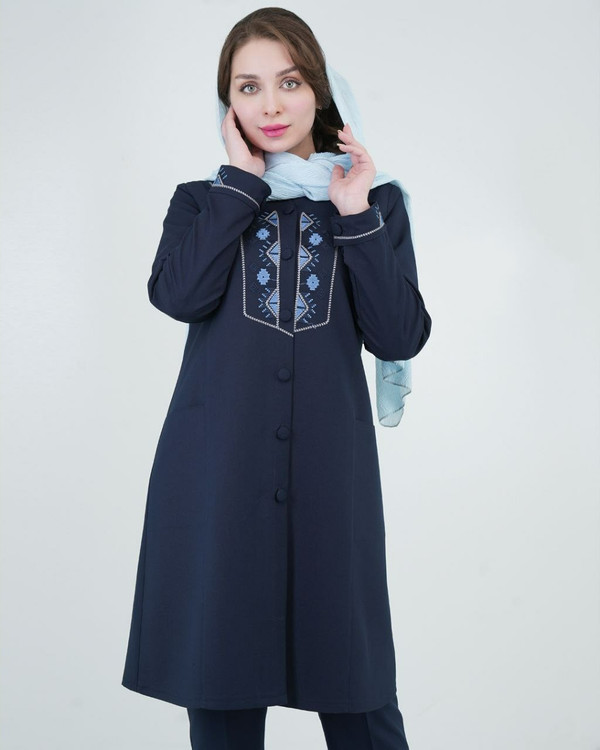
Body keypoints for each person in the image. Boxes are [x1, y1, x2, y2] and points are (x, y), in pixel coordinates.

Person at [121, 6, 432, 749]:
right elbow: (178, 296)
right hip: (216, 484)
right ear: (227, 103)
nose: (270, 105)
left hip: (331, 487)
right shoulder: (204, 200)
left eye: (289, 82)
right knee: (222, 698)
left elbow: (399, 335)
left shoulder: (375, 201)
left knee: (360, 701)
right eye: (248, 86)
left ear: (318, 90)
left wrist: (354, 213)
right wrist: (239, 185)